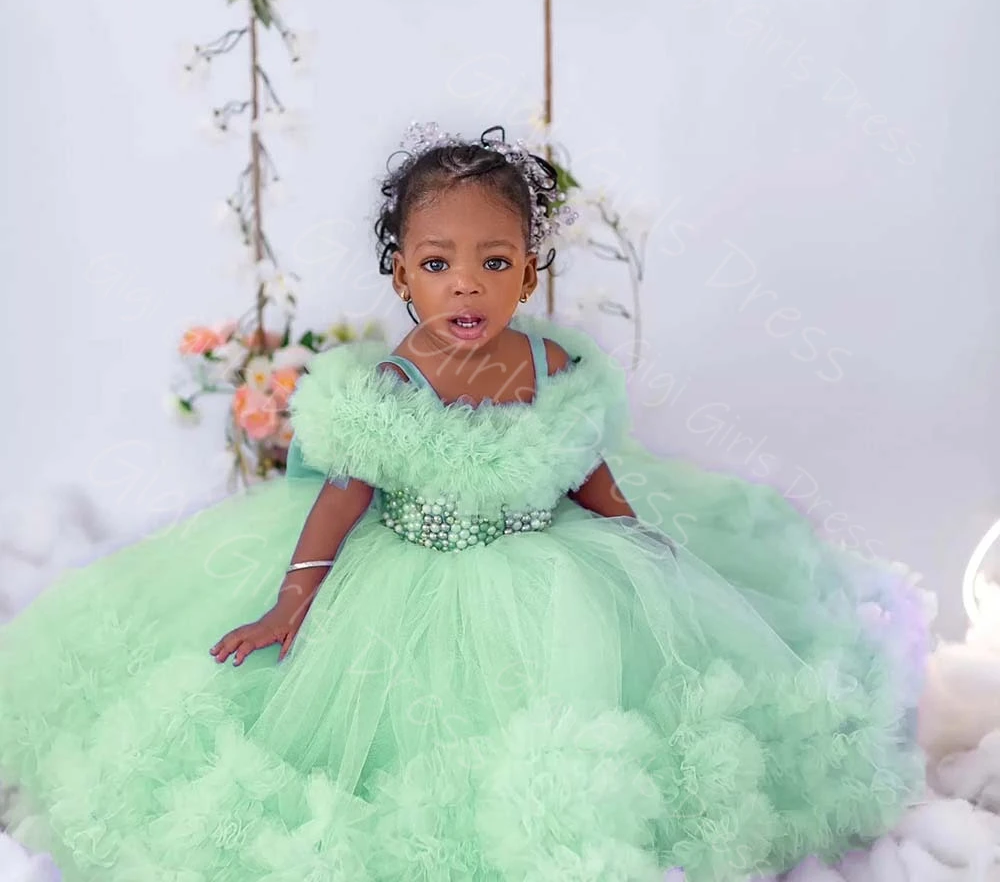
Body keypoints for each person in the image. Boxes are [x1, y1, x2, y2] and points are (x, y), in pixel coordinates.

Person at [0, 122, 931, 882]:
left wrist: (636, 542)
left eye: (494, 262)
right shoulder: (398, 383)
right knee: (383, 733)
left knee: (604, 701)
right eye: (439, 264)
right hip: (404, 578)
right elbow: (341, 496)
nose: (467, 285)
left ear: (530, 274)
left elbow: (581, 466)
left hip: (549, 566)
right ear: (401, 274)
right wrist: (294, 598)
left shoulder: (552, 367)